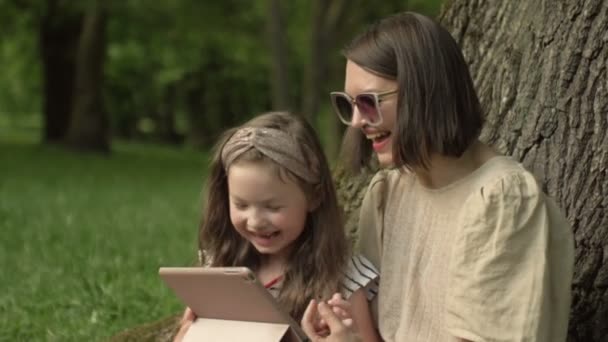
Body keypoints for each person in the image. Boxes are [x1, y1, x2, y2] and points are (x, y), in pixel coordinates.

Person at [301, 11, 574, 342]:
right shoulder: (387, 194)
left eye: (369, 102)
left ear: (424, 93)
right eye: (349, 105)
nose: (357, 121)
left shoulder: (502, 201)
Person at [174, 111, 381, 342]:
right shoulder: (217, 265)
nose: (255, 221)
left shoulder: (343, 276)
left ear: (314, 197)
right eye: (241, 205)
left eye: (272, 208)